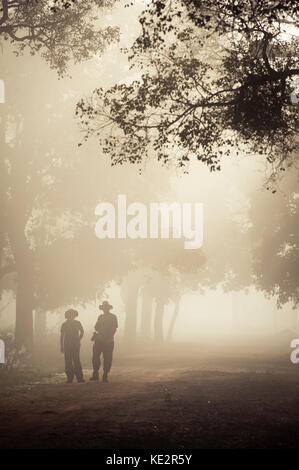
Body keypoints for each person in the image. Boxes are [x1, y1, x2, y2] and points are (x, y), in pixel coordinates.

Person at [90, 301, 118, 383]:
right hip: (99, 339)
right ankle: (96, 374)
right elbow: (96, 327)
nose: (105, 309)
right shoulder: (100, 317)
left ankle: (105, 375)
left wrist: (108, 337)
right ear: (102, 308)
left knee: (107, 358)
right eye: (104, 307)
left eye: (106, 307)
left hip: (108, 340)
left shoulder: (113, 317)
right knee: (95, 357)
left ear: (108, 308)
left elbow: (114, 329)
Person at [60, 309, 85, 383]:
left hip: (75, 345)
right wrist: (61, 346)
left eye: (72, 314)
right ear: (67, 316)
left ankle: (79, 378)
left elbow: (82, 332)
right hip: (67, 344)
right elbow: (62, 336)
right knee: (68, 361)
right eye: (70, 314)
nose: (71, 316)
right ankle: (70, 378)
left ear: (74, 315)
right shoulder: (64, 324)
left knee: (76, 360)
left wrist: (79, 339)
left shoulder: (77, 323)